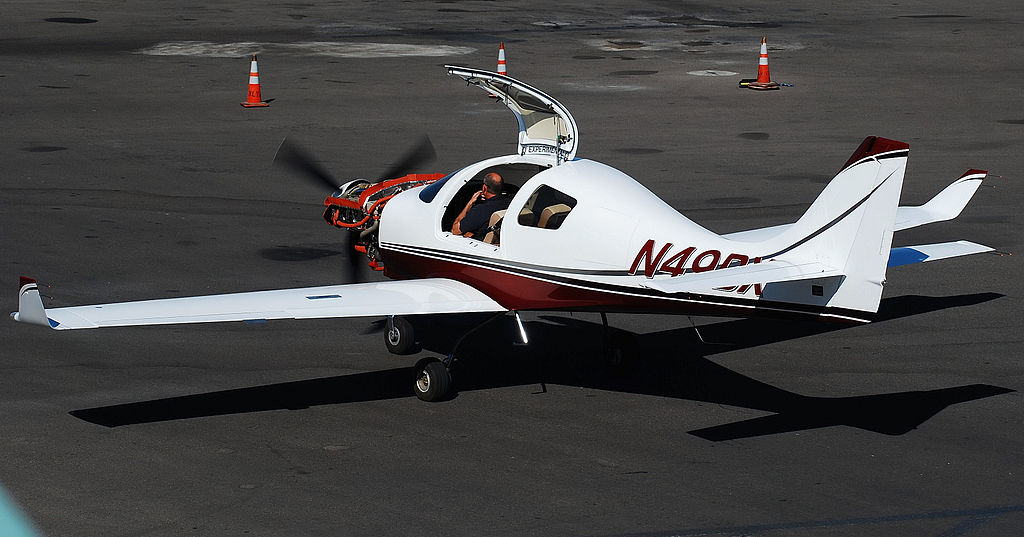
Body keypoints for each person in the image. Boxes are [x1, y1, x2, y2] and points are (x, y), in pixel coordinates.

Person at [452, 172, 512, 239]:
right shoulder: (510, 202)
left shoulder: (481, 210)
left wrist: (470, 203)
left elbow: (455, 230)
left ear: (484, 188)